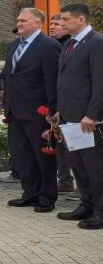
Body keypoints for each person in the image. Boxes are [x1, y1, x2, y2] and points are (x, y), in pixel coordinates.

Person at [1, 8, 61, 212]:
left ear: (37, 23)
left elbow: (52, 81)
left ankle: (47, 196)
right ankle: (30, 192)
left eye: (23, 20)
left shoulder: (48, 46)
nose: (19, 23)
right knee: (22, 156)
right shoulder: (13, 46)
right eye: (18, 20)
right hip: (15, 112)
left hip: (38, 112)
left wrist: (52, 112)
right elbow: (9, 77)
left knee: (42, 157)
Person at [54, 3, 103, 229]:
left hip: (88, 121)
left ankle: (100, 212)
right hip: (70, 118)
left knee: (95, 167)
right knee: (79, 166)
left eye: (65, 19)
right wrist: (59, 111)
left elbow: (100, 83)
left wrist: (92, 115)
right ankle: (86, 204)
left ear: (80, 19)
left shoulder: (96, 43)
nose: (61, 23)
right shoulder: (70, 44)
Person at [49, 12, 76, 194]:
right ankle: (65, 180)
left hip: (75, 105)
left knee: (76, 146)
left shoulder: (72, 45)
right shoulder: (54, 45)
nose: (52, 27)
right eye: (51, 23)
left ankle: (83, 186)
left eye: (57, 24)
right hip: (58, 104)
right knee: (60, 144)